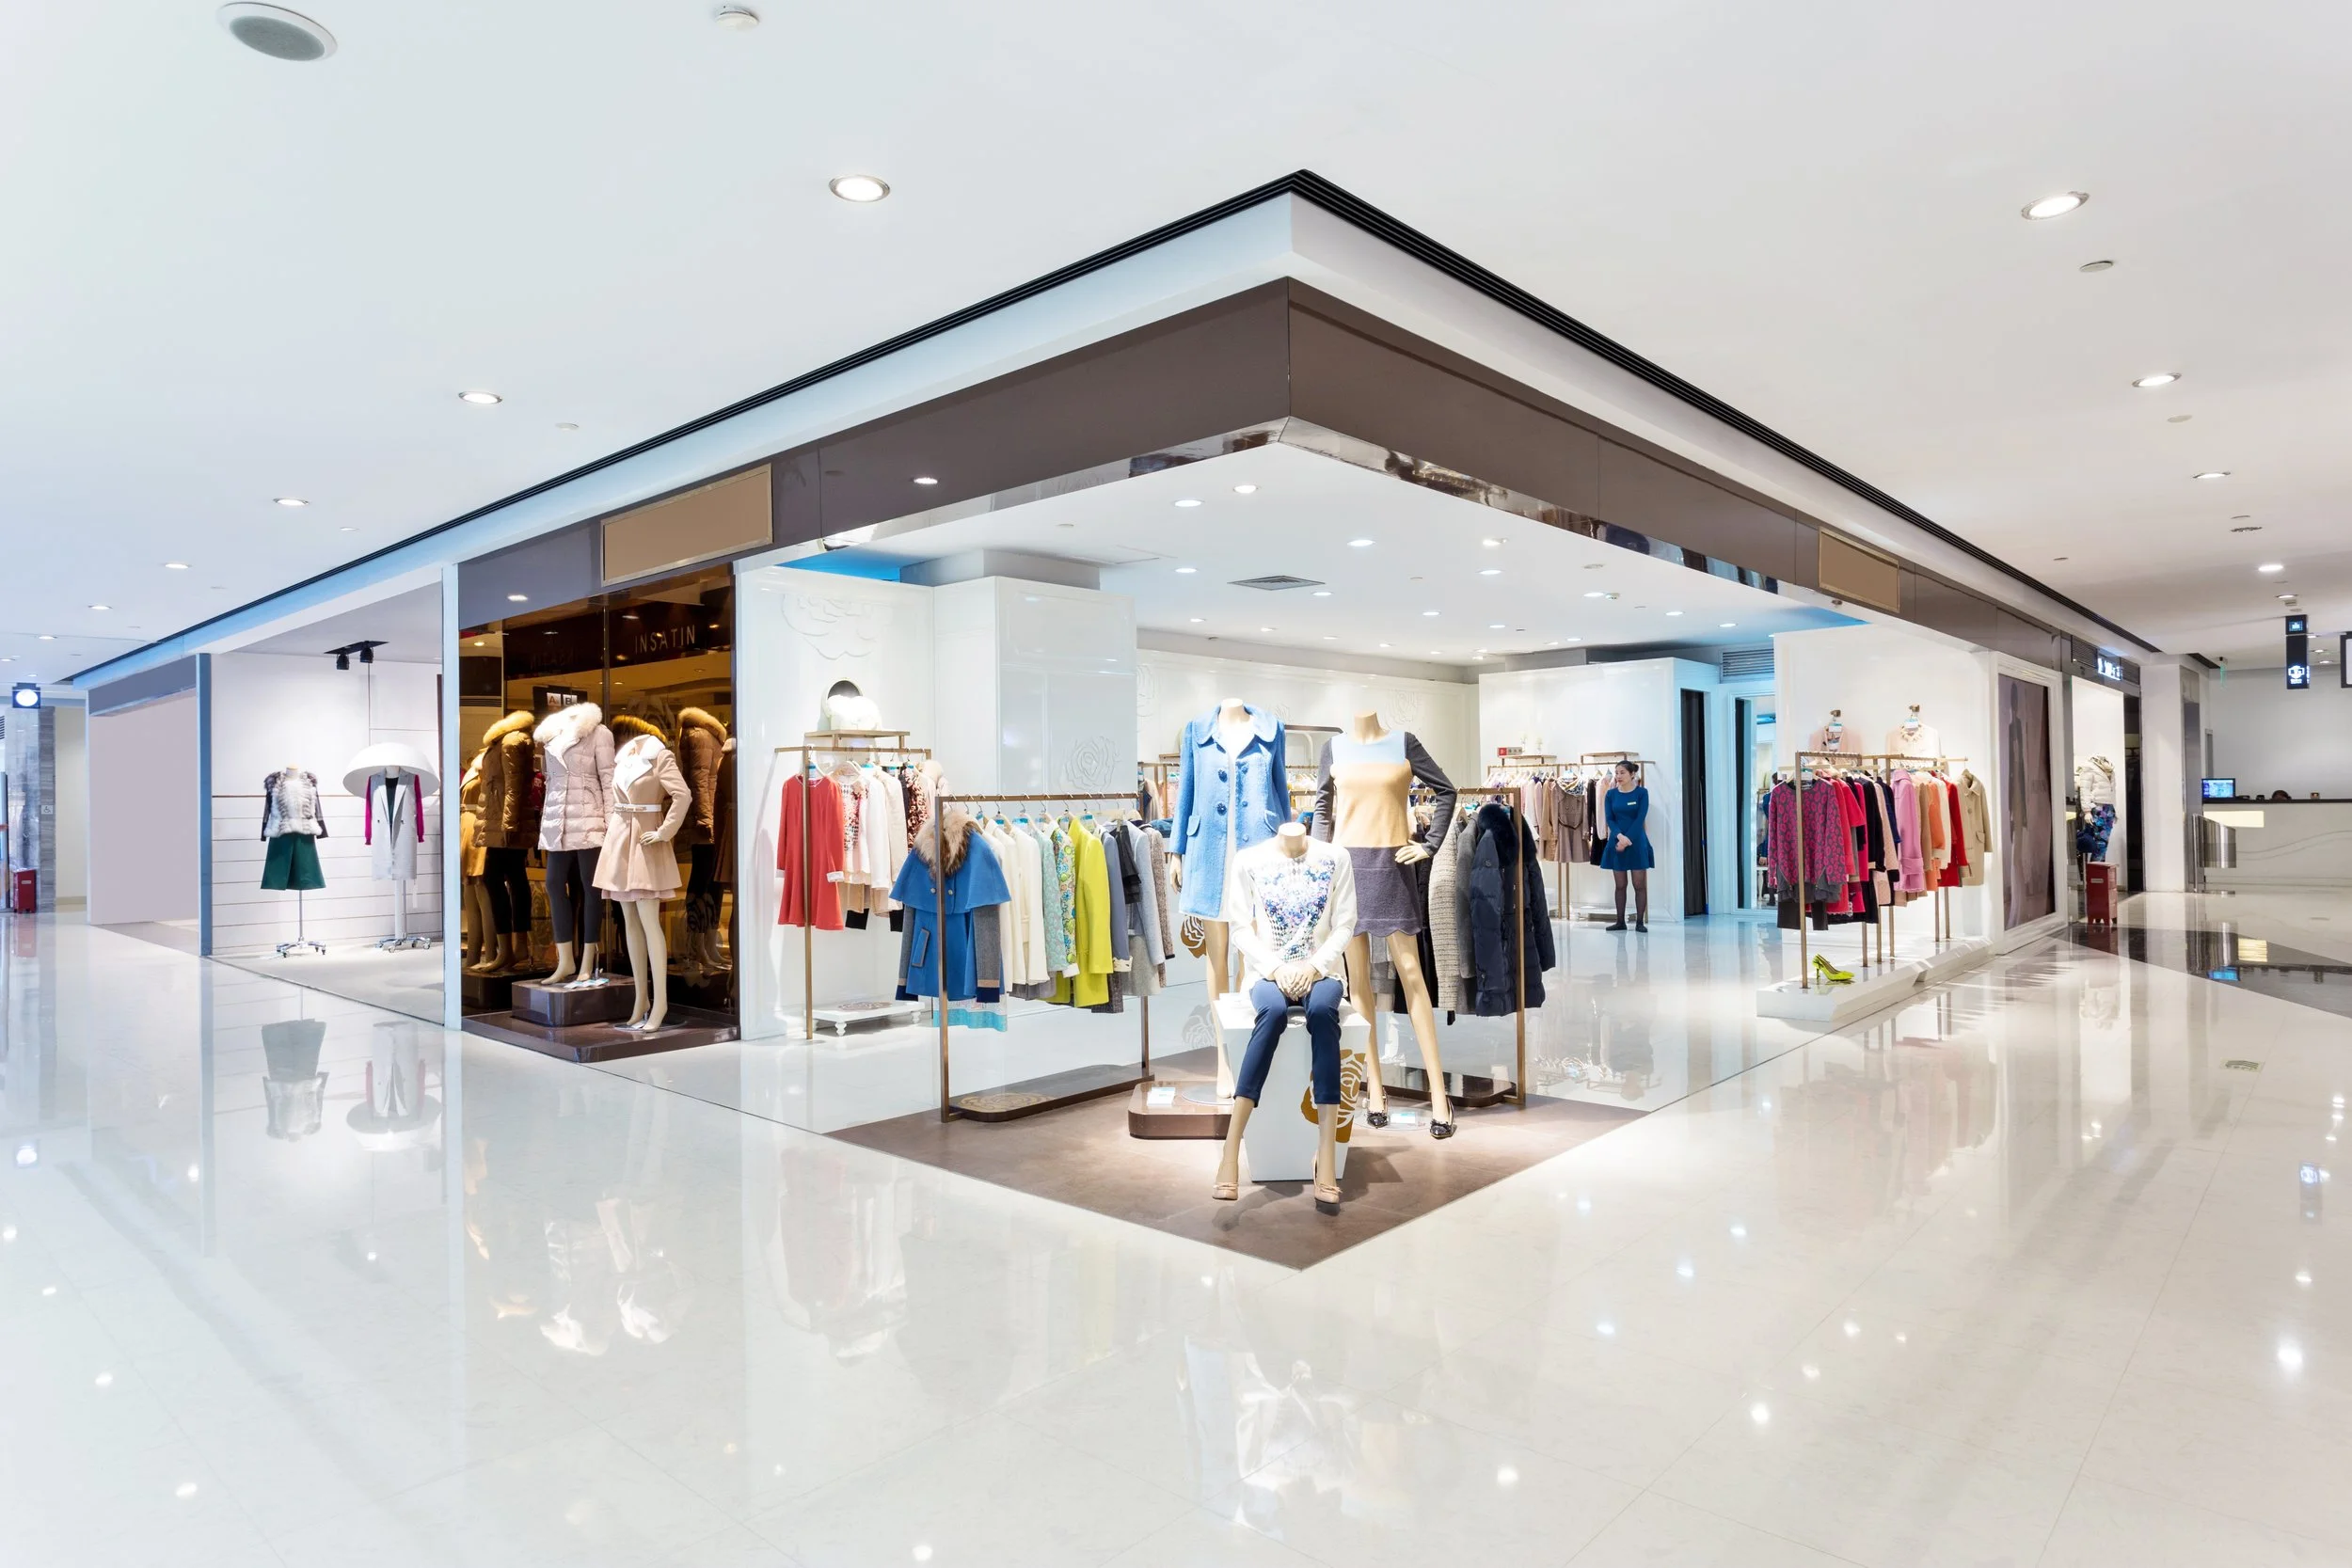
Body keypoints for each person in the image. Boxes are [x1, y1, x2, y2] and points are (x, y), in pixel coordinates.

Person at [1598, 760, 1654, 931]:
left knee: (1639, 884)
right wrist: (1620, 837)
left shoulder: (1642, 793)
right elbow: (1610, 819)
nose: (1618, 776)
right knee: (1620, 885)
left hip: (1636, 843)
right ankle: (1620, 921)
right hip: (1617, 842)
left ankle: (1639, 922)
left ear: (1632, 775)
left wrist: (1627, 839)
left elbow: (1640, 819)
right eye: (1616, 772)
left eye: (1622, 772)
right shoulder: (1610, 794)